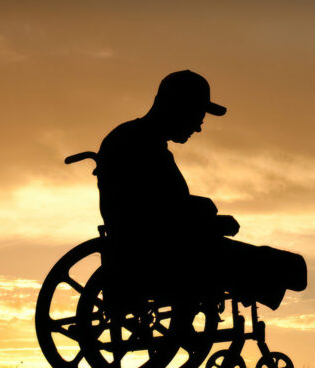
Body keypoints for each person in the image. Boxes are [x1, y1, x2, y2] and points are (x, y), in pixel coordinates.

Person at [94, 70, 304, 307]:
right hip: (160, 252)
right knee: (285, 266)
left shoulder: (135, 139)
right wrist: (206, 214)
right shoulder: (140, 144)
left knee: (281, 267)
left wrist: (199, 211)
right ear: (179, 108)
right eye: (197, 117)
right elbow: (152, 209)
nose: (198, 128)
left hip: (156, 244)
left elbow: (158, 202)